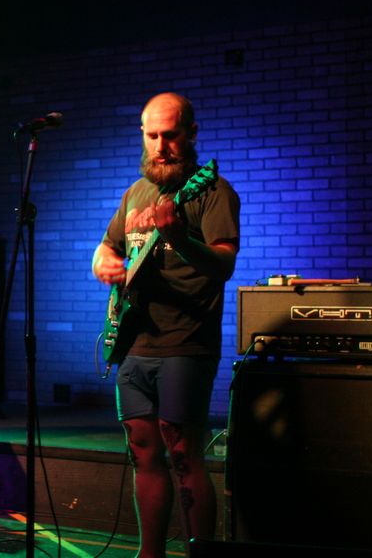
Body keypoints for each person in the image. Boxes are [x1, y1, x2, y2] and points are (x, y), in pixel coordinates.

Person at [92, 93, 239, 558]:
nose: (160, 146)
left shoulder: (211, 191)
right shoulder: (136, 193)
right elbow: (107, 247)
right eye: (152, 136)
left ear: (191, 134)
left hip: (185, 342)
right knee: (143, 454)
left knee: (183, 455)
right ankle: (148, 553)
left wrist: (179, 238)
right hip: (134, 343)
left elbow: (223, 264)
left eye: (170, 135)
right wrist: (103, 262)